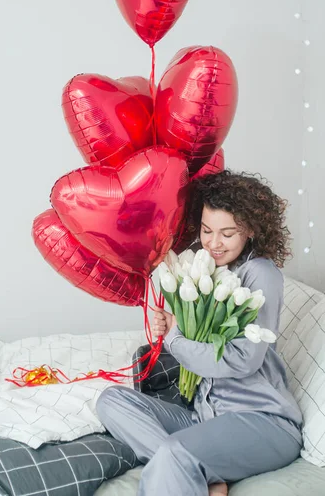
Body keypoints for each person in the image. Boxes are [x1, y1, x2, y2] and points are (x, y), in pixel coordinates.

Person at [96, 170, 303, 496]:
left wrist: (177, 339)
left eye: (227, 233)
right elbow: (199, 337)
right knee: (112, 400)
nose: (214, 243)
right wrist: (173, 322)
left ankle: (184, 464)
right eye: (207, 230)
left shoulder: (261, 273)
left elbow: (244, 361)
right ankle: (204, 475)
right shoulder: (207, 268)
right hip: (205, 418)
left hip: (264, 422)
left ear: (249, 230)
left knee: (174, 452)